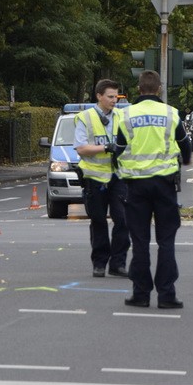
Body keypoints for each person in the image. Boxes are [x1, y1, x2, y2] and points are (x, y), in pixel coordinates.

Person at [113, 71, 192, 309]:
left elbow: (118, 150)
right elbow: (185, 147)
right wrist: (183, 160)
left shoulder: (126, 114)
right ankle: (167, 295)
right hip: (165, 185)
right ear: (159, 89)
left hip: (136, 186)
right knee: (166, 241)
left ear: (139, 89)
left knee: (139, 241)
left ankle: (141, 294)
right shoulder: (171, 113)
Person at [74, 79, 130, 278]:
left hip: (118, 176)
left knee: (123, 220)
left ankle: (118, 264)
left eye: (116, 96)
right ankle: (99, 263)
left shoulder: (122, 116)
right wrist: (106, 147)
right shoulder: (85, 118)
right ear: (99, 96)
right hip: (95, 178)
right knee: (98, 221)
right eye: (110, 96)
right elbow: (81, 148)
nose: (115, 100)